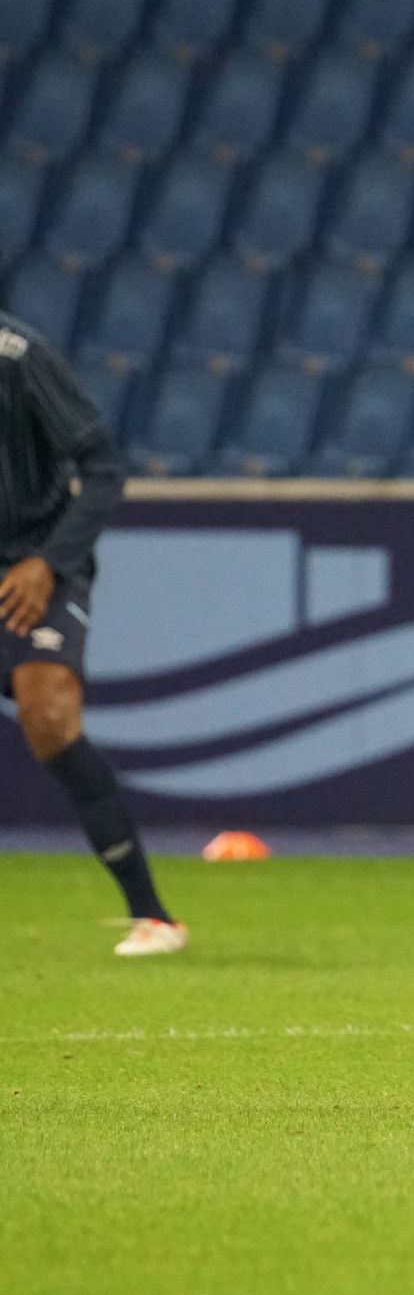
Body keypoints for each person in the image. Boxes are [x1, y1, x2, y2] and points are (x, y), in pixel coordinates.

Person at [0, 310, 182, 956]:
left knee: (48, 716)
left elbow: (103, 466)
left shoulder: (20, 358)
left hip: (33, 565)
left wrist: (49, 563)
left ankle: (152, 915)